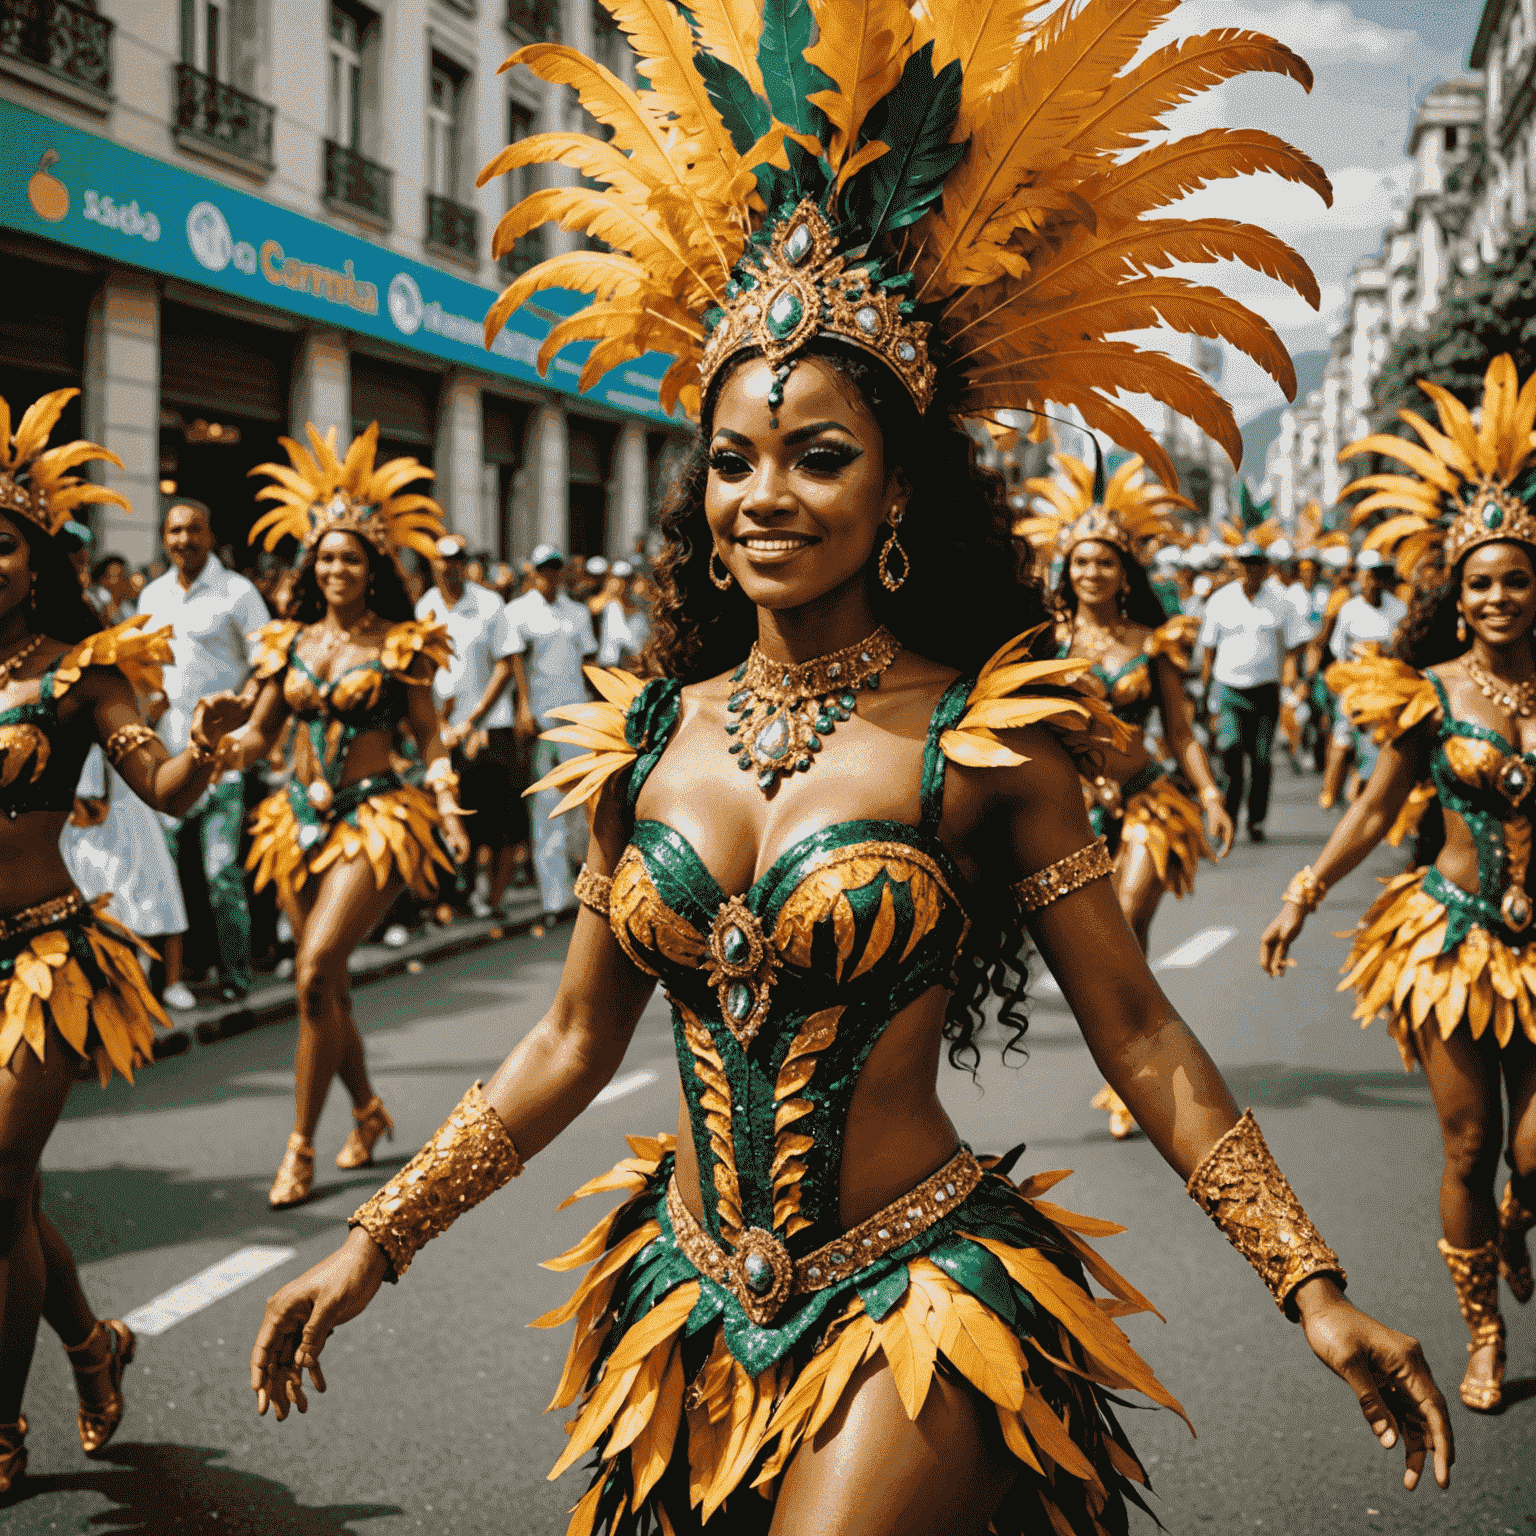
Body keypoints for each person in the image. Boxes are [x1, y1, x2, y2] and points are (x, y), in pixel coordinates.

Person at [250, 9, 1456, 1529]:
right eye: (735, 458)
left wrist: (1312, 1285)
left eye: (820, 456)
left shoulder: (983, 742)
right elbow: (566, 1043)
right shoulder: (646, 739)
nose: (766, 495)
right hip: (683, 1307)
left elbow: (1140, 1033)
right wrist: (377, 1243)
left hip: (913, 1302)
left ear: (899, 488)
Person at [1261, 355, 1536, 1415]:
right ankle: (1484, 1335)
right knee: (1471, 1143)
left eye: (1517, 578)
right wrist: (1302, 893)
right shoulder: (1427, 693)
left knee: (1531, 1157)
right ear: (1455, 595)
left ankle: (1516, 1224)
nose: (1500, 597)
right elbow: (1375, 813)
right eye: (1481, 582)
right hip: (1453, 942)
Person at [0, 388, 246, 1489]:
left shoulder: (82, 673)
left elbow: (168, 787)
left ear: (35, 553)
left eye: (0, 545)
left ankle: (4, 1429)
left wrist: (202, 746)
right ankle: (96, 1352)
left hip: (48, 961)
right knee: (9, 1194)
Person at [213, 424, 470, 1208]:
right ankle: (366, 1109)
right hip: (292, 820)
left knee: (316, 966)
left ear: (372, 567)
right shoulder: (286, 640)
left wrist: (449, 805)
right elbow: (261, 732)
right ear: (311, 565)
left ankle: (299, 1147)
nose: (335, 569)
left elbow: (428, 737)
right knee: (324, 990)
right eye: (324, 556)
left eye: (349, 557)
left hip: (376, 817)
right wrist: (223, 744)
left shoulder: (402, 643)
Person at [1021, 453, 1233, 1139]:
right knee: (1108, 942)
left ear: (1124, 572)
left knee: (1130, 916)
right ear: (1067, 569)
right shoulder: (1047, 644)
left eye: (1105, 562)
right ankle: (1134, 1057)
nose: (1092, 574)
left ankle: (1134, 1077)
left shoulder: (1153, 642)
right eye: (1081, 562)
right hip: (1072, 810)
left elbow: (1180, 728)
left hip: (1148, 801)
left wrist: (1210, 794)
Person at [137, 498, 271, 1003]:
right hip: (168, 763)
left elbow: (266, 665)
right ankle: (179, 976)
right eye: (173, 531)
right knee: (168, 877)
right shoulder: (152, 596)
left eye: (193, 530)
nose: (183, 540)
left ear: (210, 535)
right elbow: (147, 668)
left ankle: (236, 976)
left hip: (222, 767)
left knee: (220, 876)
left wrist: (245, 723)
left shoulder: (238, 593)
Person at [416, 533, 524, 917]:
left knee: (496, 818)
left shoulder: (490, 603)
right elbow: (421, 670)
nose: (451, 566)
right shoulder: (425, 608)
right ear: (433, 565)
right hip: (443, 730)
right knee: (451, 811)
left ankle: (489, 897)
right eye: (444, 560)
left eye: (458, 558)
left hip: (489, 726)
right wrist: (438, 722)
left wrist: (475, 718)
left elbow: (506, 663)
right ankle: (452, 898)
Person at [504, 544, 597, 928]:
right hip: (544, 722)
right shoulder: (519, 612)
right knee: (547, 807)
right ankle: (554, 898)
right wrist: (523, 706)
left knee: (586, 804)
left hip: (577, 717)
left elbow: (588, 662)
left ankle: (586, 886)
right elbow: (514, 661)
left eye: (555, 568)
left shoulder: (576, 613)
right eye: (543, 569)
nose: (550, 575)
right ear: (533, 571)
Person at [60, 743, 190, 1006]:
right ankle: (128, 984)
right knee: (109, 909)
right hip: (95, 829)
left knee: (162, 897)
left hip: (133, 819)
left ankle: (170, 982)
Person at [1199, 543, 1311, 842]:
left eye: (1257, 563)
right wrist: (1205, 692)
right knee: (1231, 749)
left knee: (1261, 759)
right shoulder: (1220, 600)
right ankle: (1230, 816)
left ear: (1266, 567)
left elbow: (1300, 639)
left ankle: (1257, 820)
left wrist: (1289, 664)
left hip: (1265, 690)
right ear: (1238, 565)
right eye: (1246, 563)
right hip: (1230, 689)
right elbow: (1208, 651)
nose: (1251, 569)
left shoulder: (1281, 601)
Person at [1319, 549, 1409, 805]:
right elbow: (1338, 650)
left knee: (1383, 738)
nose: (1374, 582)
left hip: (1386, 686)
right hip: (1355, 683)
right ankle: (1329, 789)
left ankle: (1371, 790)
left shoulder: (1398, 609)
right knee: (1343, 735)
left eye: (1380, 575)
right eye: (1370, 575)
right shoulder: (1349, 610)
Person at [86, 555, 136, 625]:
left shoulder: (126, 608)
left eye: (124, 577)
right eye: (115, 576)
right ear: (101, 579)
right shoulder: (91, 602)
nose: (122, 582)